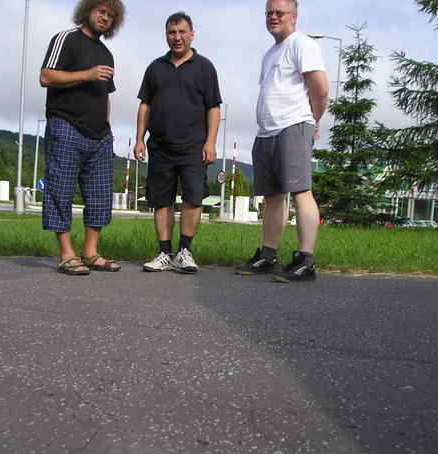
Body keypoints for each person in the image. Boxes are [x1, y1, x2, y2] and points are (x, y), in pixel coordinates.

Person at [235, 0, 328, 282]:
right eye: (269, 13)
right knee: (273, 197)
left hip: (293, 126)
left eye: (279, 12)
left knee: (301, 192)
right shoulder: (269, 54)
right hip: (267, 132)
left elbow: (321, 90)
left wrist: (313, 120)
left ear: (294, 16)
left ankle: (306, 261)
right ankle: (268, 256)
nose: (273, 17)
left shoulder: (302, 44)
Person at [39, 0, 125, 276]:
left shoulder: (107, 54)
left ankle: (90, 253)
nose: (105, 18)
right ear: (87, 10)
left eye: (110, 15)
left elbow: (105, 95)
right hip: (66, 125)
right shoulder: (66, 39)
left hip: (99, 134)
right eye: (101, 11)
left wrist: (106, 127)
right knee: (60, 191)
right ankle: (67, 255)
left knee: (100, 195)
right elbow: (45, 77)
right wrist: (87, 74)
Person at [134, 11, 222, 274]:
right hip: (160, 147)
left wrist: (211, 142)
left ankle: (185, 252)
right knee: (162, 200)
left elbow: (213, 108)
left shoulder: (205, 67)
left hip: (193, 147)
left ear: (192, 35)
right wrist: (139, 139)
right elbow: (145, 105)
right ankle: (164, 253)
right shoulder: (155, 68)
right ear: (166, 36)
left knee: (193, 199)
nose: (177, 37)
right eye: (172, 32)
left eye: (182, 32)